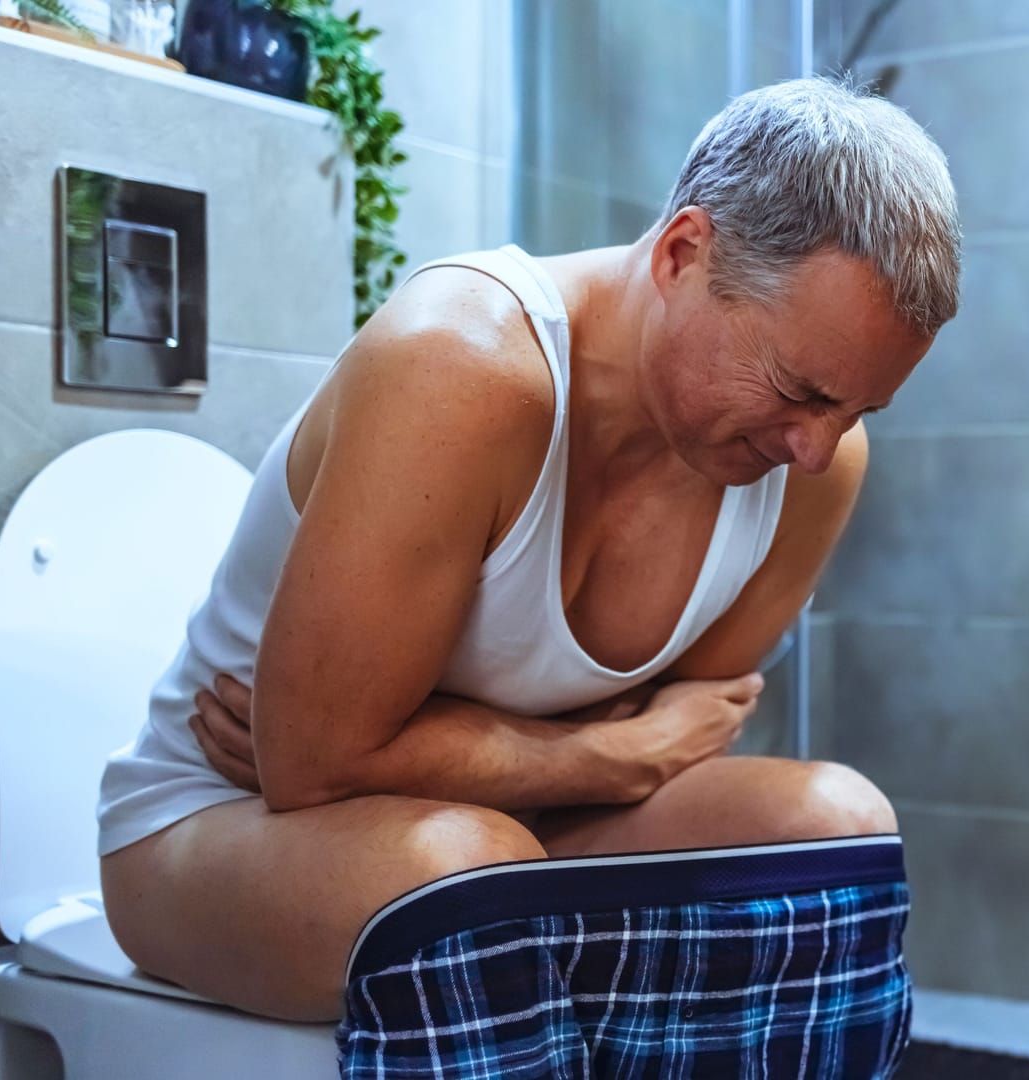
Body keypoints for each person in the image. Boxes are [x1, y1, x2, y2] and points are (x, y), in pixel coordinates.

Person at [94, 77, 962, 1022]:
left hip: (525, 836)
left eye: (856, 409)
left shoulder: (812, 469)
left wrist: (544, 758)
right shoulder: (462, 363)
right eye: (799, 390)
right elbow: (317, 768)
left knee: (836, 832)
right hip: (229, 820)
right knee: (469, 882)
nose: (816, 446)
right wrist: (604, 756)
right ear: (683, 252)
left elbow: (673, 746)